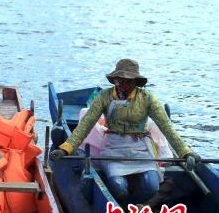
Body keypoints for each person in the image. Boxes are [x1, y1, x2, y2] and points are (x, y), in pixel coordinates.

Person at [50, 59, 201, 205]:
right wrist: (66, 149)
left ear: (136, 82)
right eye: (120, 80)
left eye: (129, 81)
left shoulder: (147, 98)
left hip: (140, 148)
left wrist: (185, 153)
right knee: (118, 187)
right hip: (113, 147)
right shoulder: (105, 96)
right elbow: (85, 125)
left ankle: (133, 206)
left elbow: (166, 127)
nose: (123, 85)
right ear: (114, 80)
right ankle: (122, 204)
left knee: (151, 186)